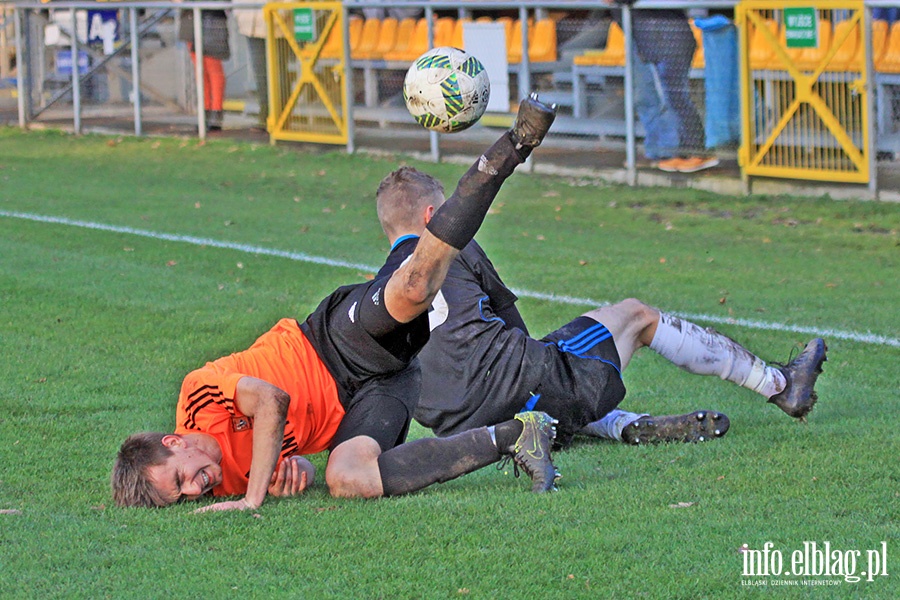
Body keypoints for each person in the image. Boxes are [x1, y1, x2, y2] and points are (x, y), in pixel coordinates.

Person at [112, 94, 561, 511]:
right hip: (372, 394)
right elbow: (300, 463)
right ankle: (516, 436)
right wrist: (295, 473)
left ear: (175, 443)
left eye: (181, 481)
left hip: (332, 345)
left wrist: (253, 500)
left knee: (413, 288)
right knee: (347, 479)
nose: (196, 489)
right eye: (184, 497)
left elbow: (271, 399)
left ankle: (515, 144)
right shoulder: (220, 480)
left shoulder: (198, 396)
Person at [374, 186, 828, 448]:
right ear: (434, 216)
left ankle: (619, 423)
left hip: (466, 437)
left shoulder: (378, 294)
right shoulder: (456, 247)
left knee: (545, 381)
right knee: (636, 316)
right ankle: (780, 385)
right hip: (513, 392)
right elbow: (517, 332)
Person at [606, 1, 718, 173]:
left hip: (672, 40)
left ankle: (699, 152)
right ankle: (666, 151)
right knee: (647, 98)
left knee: (676, 98)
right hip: (648, 43)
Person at [178, 3, 230, 131]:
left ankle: (216, 113)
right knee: (200, 71)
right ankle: (204, 113)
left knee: (213, 69)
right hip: (191, 20)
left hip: (211, 22)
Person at [234, 0, 269, 132]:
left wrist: (282, 12)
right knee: (260, 74)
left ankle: (279, 116)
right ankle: (265, 115)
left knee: (278, 74)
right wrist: (239, 14)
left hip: (277, 24)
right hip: (251, 25)